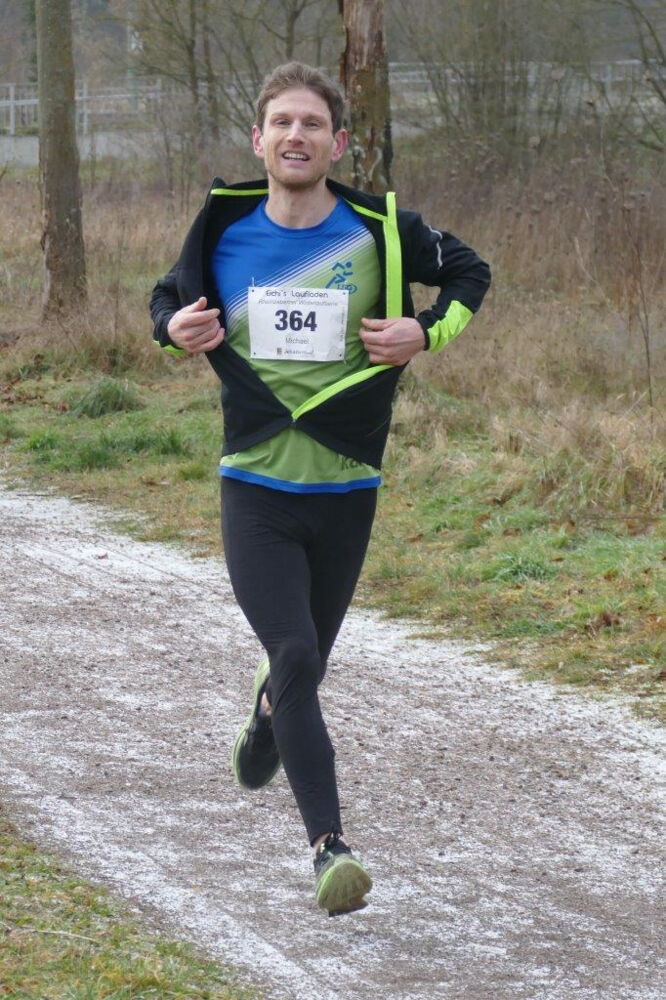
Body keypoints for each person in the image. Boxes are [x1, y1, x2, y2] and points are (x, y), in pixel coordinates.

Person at [150, 61, 490, 917]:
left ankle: (270, 713)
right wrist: (171, 328)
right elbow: (168, 298)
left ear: (338, 144)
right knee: (296, 651)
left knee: (306, 665)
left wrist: (426, 333)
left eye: (311, 124)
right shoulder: (222, 229)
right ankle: (329, 849)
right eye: (281, 123)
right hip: (255, 483)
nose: (295, 136)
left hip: (348, 485)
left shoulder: (380, 231)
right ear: (258, 140)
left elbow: (471, 275)